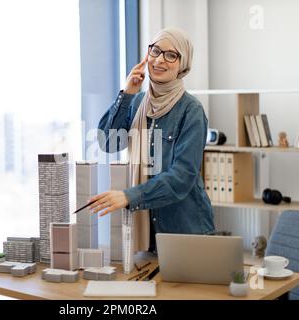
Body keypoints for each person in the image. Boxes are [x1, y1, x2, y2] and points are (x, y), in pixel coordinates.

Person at [89, 27, 214, 253]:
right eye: (155, 51)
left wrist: (129, 196)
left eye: (171, 55)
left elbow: (182, 176)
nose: (159, 60)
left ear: (182, 65)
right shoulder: (136, 104)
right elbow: (108, 142)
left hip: (185, 230)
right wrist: (126, 94)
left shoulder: (191, 110)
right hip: (145, 232)